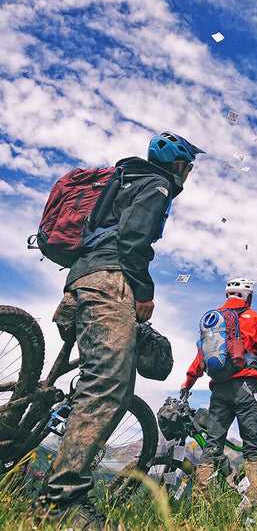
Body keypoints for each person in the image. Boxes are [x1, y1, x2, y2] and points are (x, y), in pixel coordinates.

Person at [41, 131, 204, 530]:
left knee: (96, 378)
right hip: (110, 283)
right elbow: (134, 241)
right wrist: (144, 293)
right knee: (108, 385)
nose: (188, 174)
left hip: (79, 282)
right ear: (177, 164)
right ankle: (60, 504)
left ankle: (35, 433)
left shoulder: (121, 178)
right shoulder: (157, 184)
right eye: (188, 166)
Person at [181, 277, 257, 505]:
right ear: (248, 297)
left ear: (228, 295)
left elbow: (202, 355)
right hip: (247, 388)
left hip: (219, 391)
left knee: (213, 446)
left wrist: (188, 381)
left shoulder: (214, 321)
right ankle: (253, 505)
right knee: (252, 447)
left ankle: (200, 505)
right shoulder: (256, 319)